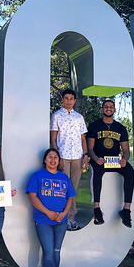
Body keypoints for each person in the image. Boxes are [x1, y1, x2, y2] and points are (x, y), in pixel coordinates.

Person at [27, 148, 76, 267]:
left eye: (56, 157)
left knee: (56, 251)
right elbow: (33, 197)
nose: (53, 160)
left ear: (59, 160)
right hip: (43, 220)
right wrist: (48, 212)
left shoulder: (63, 177)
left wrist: (64, 214)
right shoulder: (37, 176)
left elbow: (70, 198)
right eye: (50, 157)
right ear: (45, 160)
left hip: (60, 220)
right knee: (48, 252)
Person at [87, 99, 134, 227]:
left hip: (114, 160)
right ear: (102, 109)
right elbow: (90, 148)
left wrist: (125, 159)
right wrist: (96, 159)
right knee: (97, 172)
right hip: (99, 159)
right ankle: (97, 209)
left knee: (130, 171)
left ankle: (126, 210)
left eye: (111, 107)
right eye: (106, 107)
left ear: (114, 110)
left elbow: (125, 149)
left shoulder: (120, 128)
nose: (108, 108)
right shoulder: (94, 126)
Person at [50, 89, 89, 230]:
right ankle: (62, 217)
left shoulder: (79, 117)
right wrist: (57, 157)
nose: (69, 101)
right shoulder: (56, 116)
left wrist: (85, 155)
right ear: (62, 99)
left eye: (71, 98)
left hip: (77, 157)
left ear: (75, 100)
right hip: (63, 157)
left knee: (74, 188)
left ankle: (71, 218)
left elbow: (83, 139)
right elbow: (53, 139)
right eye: (66, 98)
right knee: (63, 189)